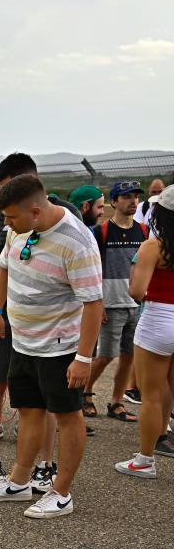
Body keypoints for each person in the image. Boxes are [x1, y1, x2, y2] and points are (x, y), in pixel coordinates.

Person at [0, 175, 101, 517]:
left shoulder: (77, 242)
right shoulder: (18, 228)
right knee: (30, 409)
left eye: (10, 217)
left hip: (60, 347)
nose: (6, 224)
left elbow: (93, 303)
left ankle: (61, 494)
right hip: (23, 341)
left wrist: (83, 358)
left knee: (67, 416)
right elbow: (3, 267)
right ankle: (18, 482)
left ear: (34, 211)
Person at [0, 153, 77, 486]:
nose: (1, 206)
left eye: (8, 189)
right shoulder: (7, 217)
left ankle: (46, 468)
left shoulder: (67, 220)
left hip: (51, 329)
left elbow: (85, 283)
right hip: (9, 317)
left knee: (47, 400)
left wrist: (84, 353)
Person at [116, 187, 174, 477]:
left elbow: (137, 291)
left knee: (151, 397)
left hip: (158, 321)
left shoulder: (153, 246)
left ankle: (145, 461)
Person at [85, 180, 146, 422]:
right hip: (111, 304)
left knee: (129, 356)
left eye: (135, 197)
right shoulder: (100, 232)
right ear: (113, 202)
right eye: (127, 197)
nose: (133, 201)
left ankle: (116, 402)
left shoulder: (144, 232)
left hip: (137, 305)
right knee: (107, 356)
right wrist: (98, 303)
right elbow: (92, 270)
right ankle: (85, 393)